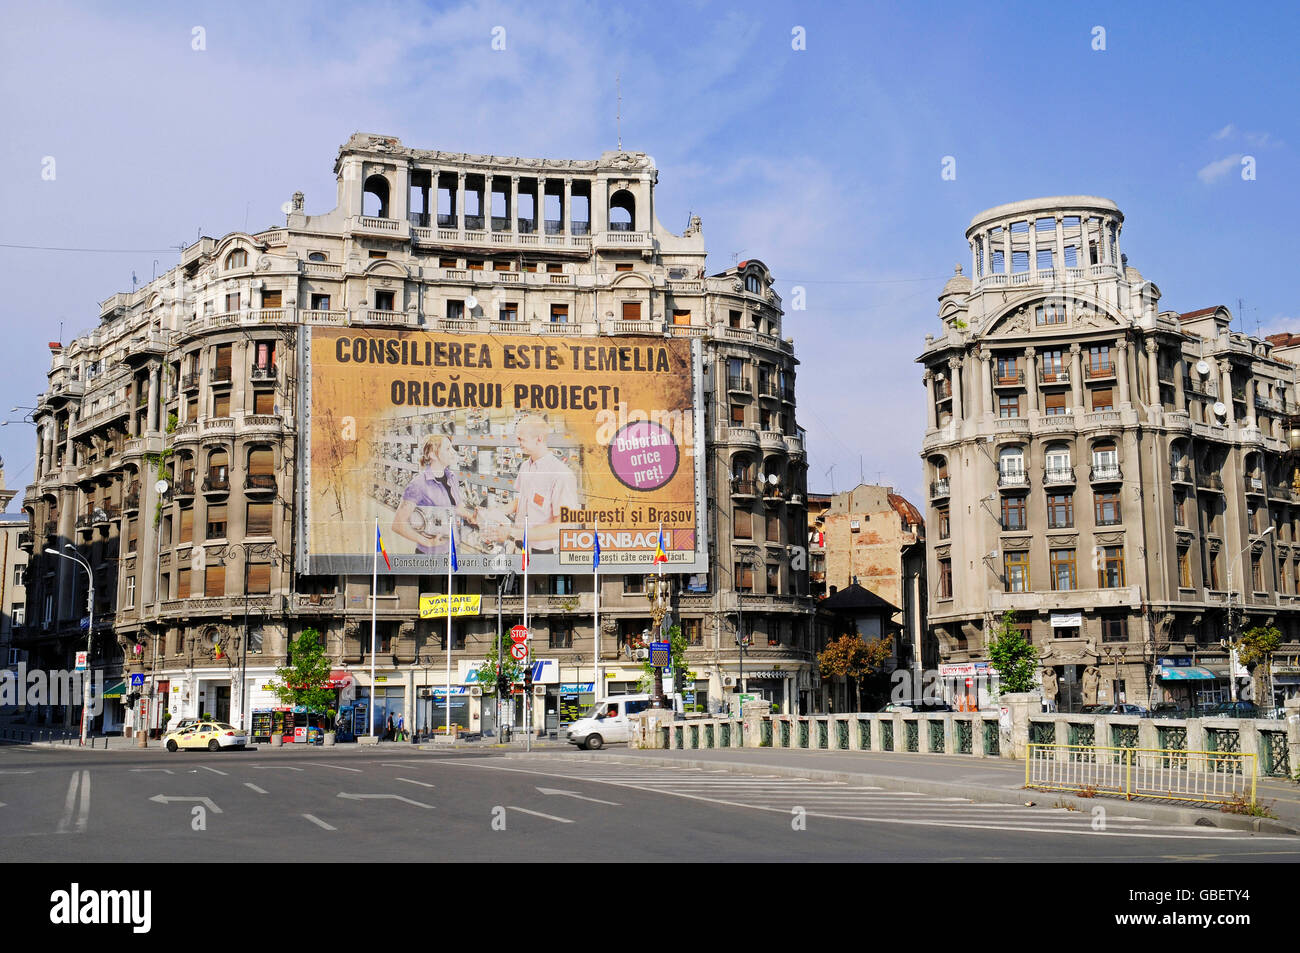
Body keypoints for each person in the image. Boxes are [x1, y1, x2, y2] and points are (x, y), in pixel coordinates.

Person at [482, 415, 581, 555]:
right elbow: (523, 500)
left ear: (539, 438)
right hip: (520, 547)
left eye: (521, 439)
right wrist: (496, 512)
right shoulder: (525, 466)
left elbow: (562, 527)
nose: (518, 443)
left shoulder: (561, 474)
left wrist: (513, 532)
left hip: (544, 552)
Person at [392, 435, 474, 553]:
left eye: (452, 448)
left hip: (454, 549)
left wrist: (471, 516)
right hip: (431, 556)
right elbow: (397, 524)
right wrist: (427, 542)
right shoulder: (418, 484)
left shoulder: (451, 477)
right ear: (433, 454)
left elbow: (456, 507)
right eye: (448, 449)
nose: (453, 452)